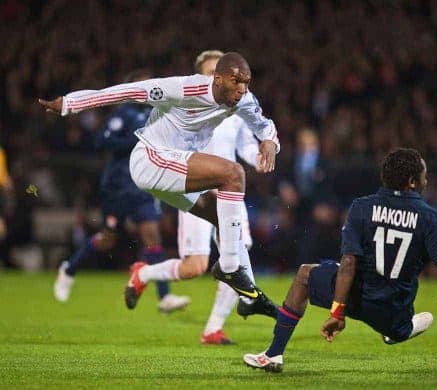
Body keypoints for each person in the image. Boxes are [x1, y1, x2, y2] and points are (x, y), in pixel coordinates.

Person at [243, 148, 437, 373]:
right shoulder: (431, 218)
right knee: (401, 324)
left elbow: (350, 263)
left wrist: (337, 313)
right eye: (424, 176)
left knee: (305, 274)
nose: (426, 181)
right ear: (413, 182)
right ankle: (401, 331)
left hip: (355, 298)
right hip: (393, 311)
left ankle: (273, 354)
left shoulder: (361, 207)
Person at [39, 52, 279, 315]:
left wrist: (270, 140)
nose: (242, 89)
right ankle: (231, 269)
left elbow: (264, 124)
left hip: (177, 167)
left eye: (246, 82)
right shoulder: (184, 88)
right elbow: (127, 92)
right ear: (217, 79)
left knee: (223, 219)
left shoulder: (243, 99)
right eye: (236, 82)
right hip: (150, 160)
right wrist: (69, 104)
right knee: (233, 174)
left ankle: (248, 295)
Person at [53, 70, 190, 312]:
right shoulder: (123, 114)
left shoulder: (156, 114)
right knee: (107, 238)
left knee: (152, 235)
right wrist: (137, 140)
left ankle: (164, 297)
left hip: (144, 184)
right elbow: (102, 141)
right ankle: (69, 268)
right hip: (117, 185)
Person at [174, 50, 274, 345]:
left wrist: (258, 158)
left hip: (229, 190)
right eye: (209, 72)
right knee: (194, 267)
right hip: (196, 189)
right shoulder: (186, 105)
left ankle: (215, 326)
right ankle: (144, 274)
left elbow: (245, 144)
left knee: (237, 251)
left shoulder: (236, 108)